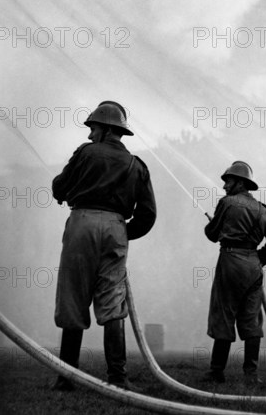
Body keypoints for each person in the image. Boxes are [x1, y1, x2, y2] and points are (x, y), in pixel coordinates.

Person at [52, 101, 157, 391]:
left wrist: (63, 187)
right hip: (116, 228)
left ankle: (67, 377)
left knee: (73, 295)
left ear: (106, 129)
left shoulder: (85, 153)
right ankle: (118, 378)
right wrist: (121, 234)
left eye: (93, 128)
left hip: (81, 222)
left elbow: (59, 188)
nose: (89, 135)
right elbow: (148, 214)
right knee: (113, 300)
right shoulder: (138, 164)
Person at [204, 161, 266, 384]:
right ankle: (251, 374)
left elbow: (212, 234)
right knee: (251, 321)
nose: (225, 186)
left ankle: (216, 371)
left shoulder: (227, 203)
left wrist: (211, 225)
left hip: (230, 261)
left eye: (228, 181)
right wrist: (259, 259)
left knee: (224, 314)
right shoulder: (263, 210)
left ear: (240, 182)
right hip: (254, 266)